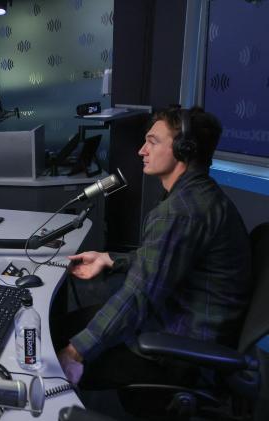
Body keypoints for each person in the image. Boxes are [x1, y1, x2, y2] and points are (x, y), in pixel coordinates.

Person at [56, 106, 252, 389]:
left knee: (52, 349)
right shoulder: (199, 195)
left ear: (184, 149)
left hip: (180, 350)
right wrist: (111, 259)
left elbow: (139, 296)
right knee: (63, 327)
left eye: (152, 141)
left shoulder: (180, 212)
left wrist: (75, 353)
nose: (141, 151)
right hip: (183, 321)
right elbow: (163, 259)